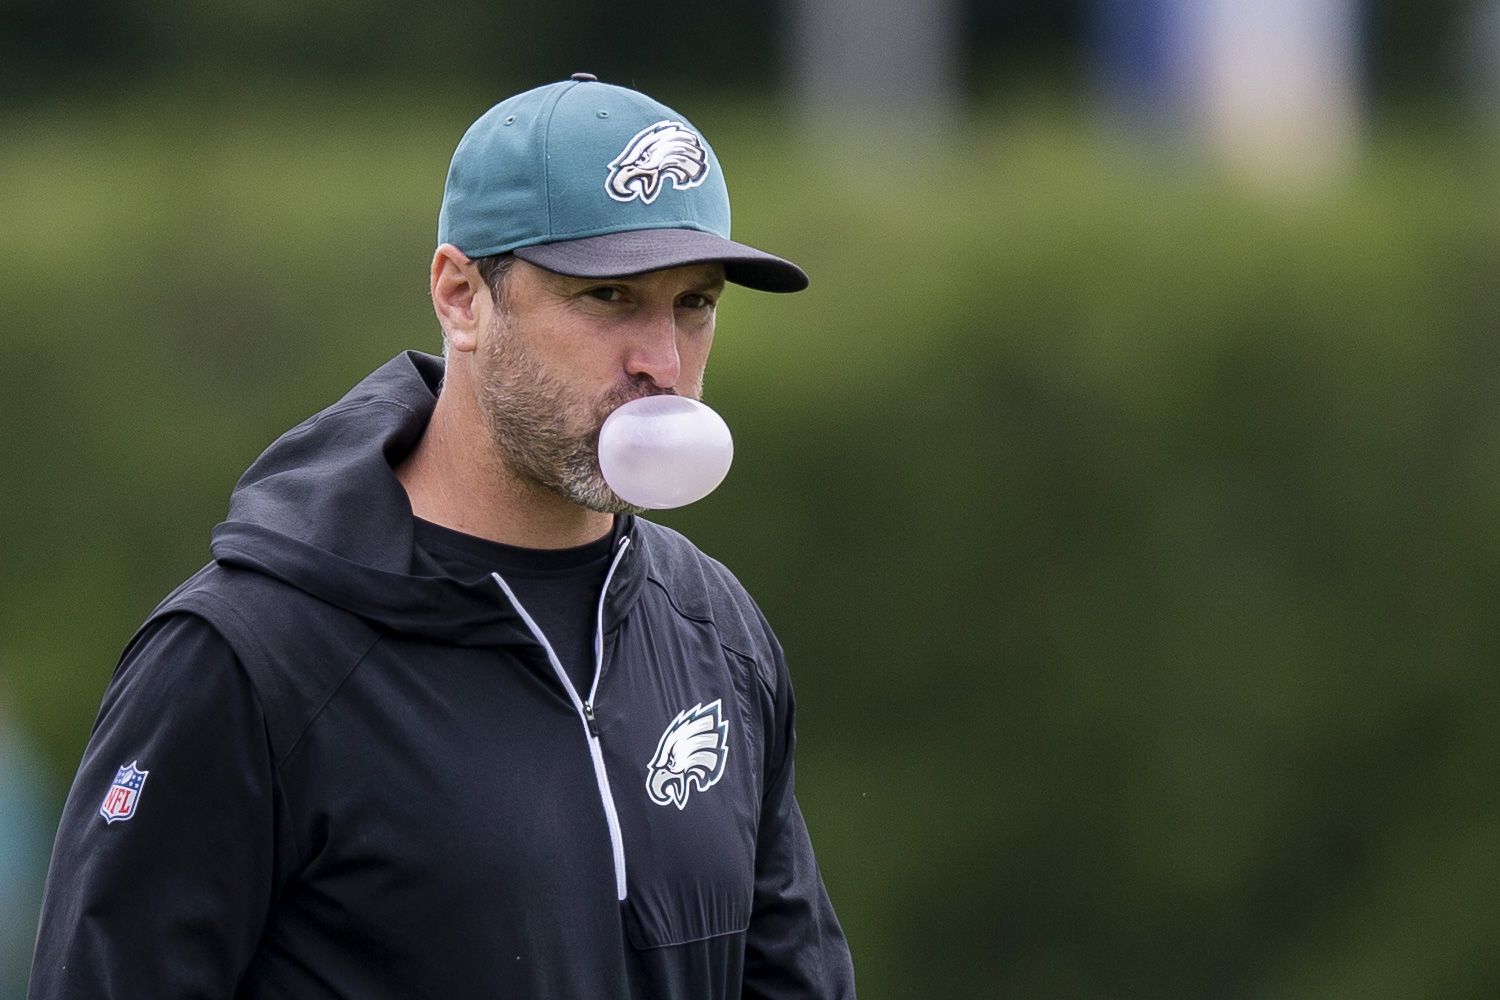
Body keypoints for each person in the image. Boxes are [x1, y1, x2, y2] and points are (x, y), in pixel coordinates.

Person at [29, 75, 856, 999]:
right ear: (462, 296)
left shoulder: (715, 633)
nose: (662, 362)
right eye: (609, 295)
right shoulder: (246, 662)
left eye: (694, 303)